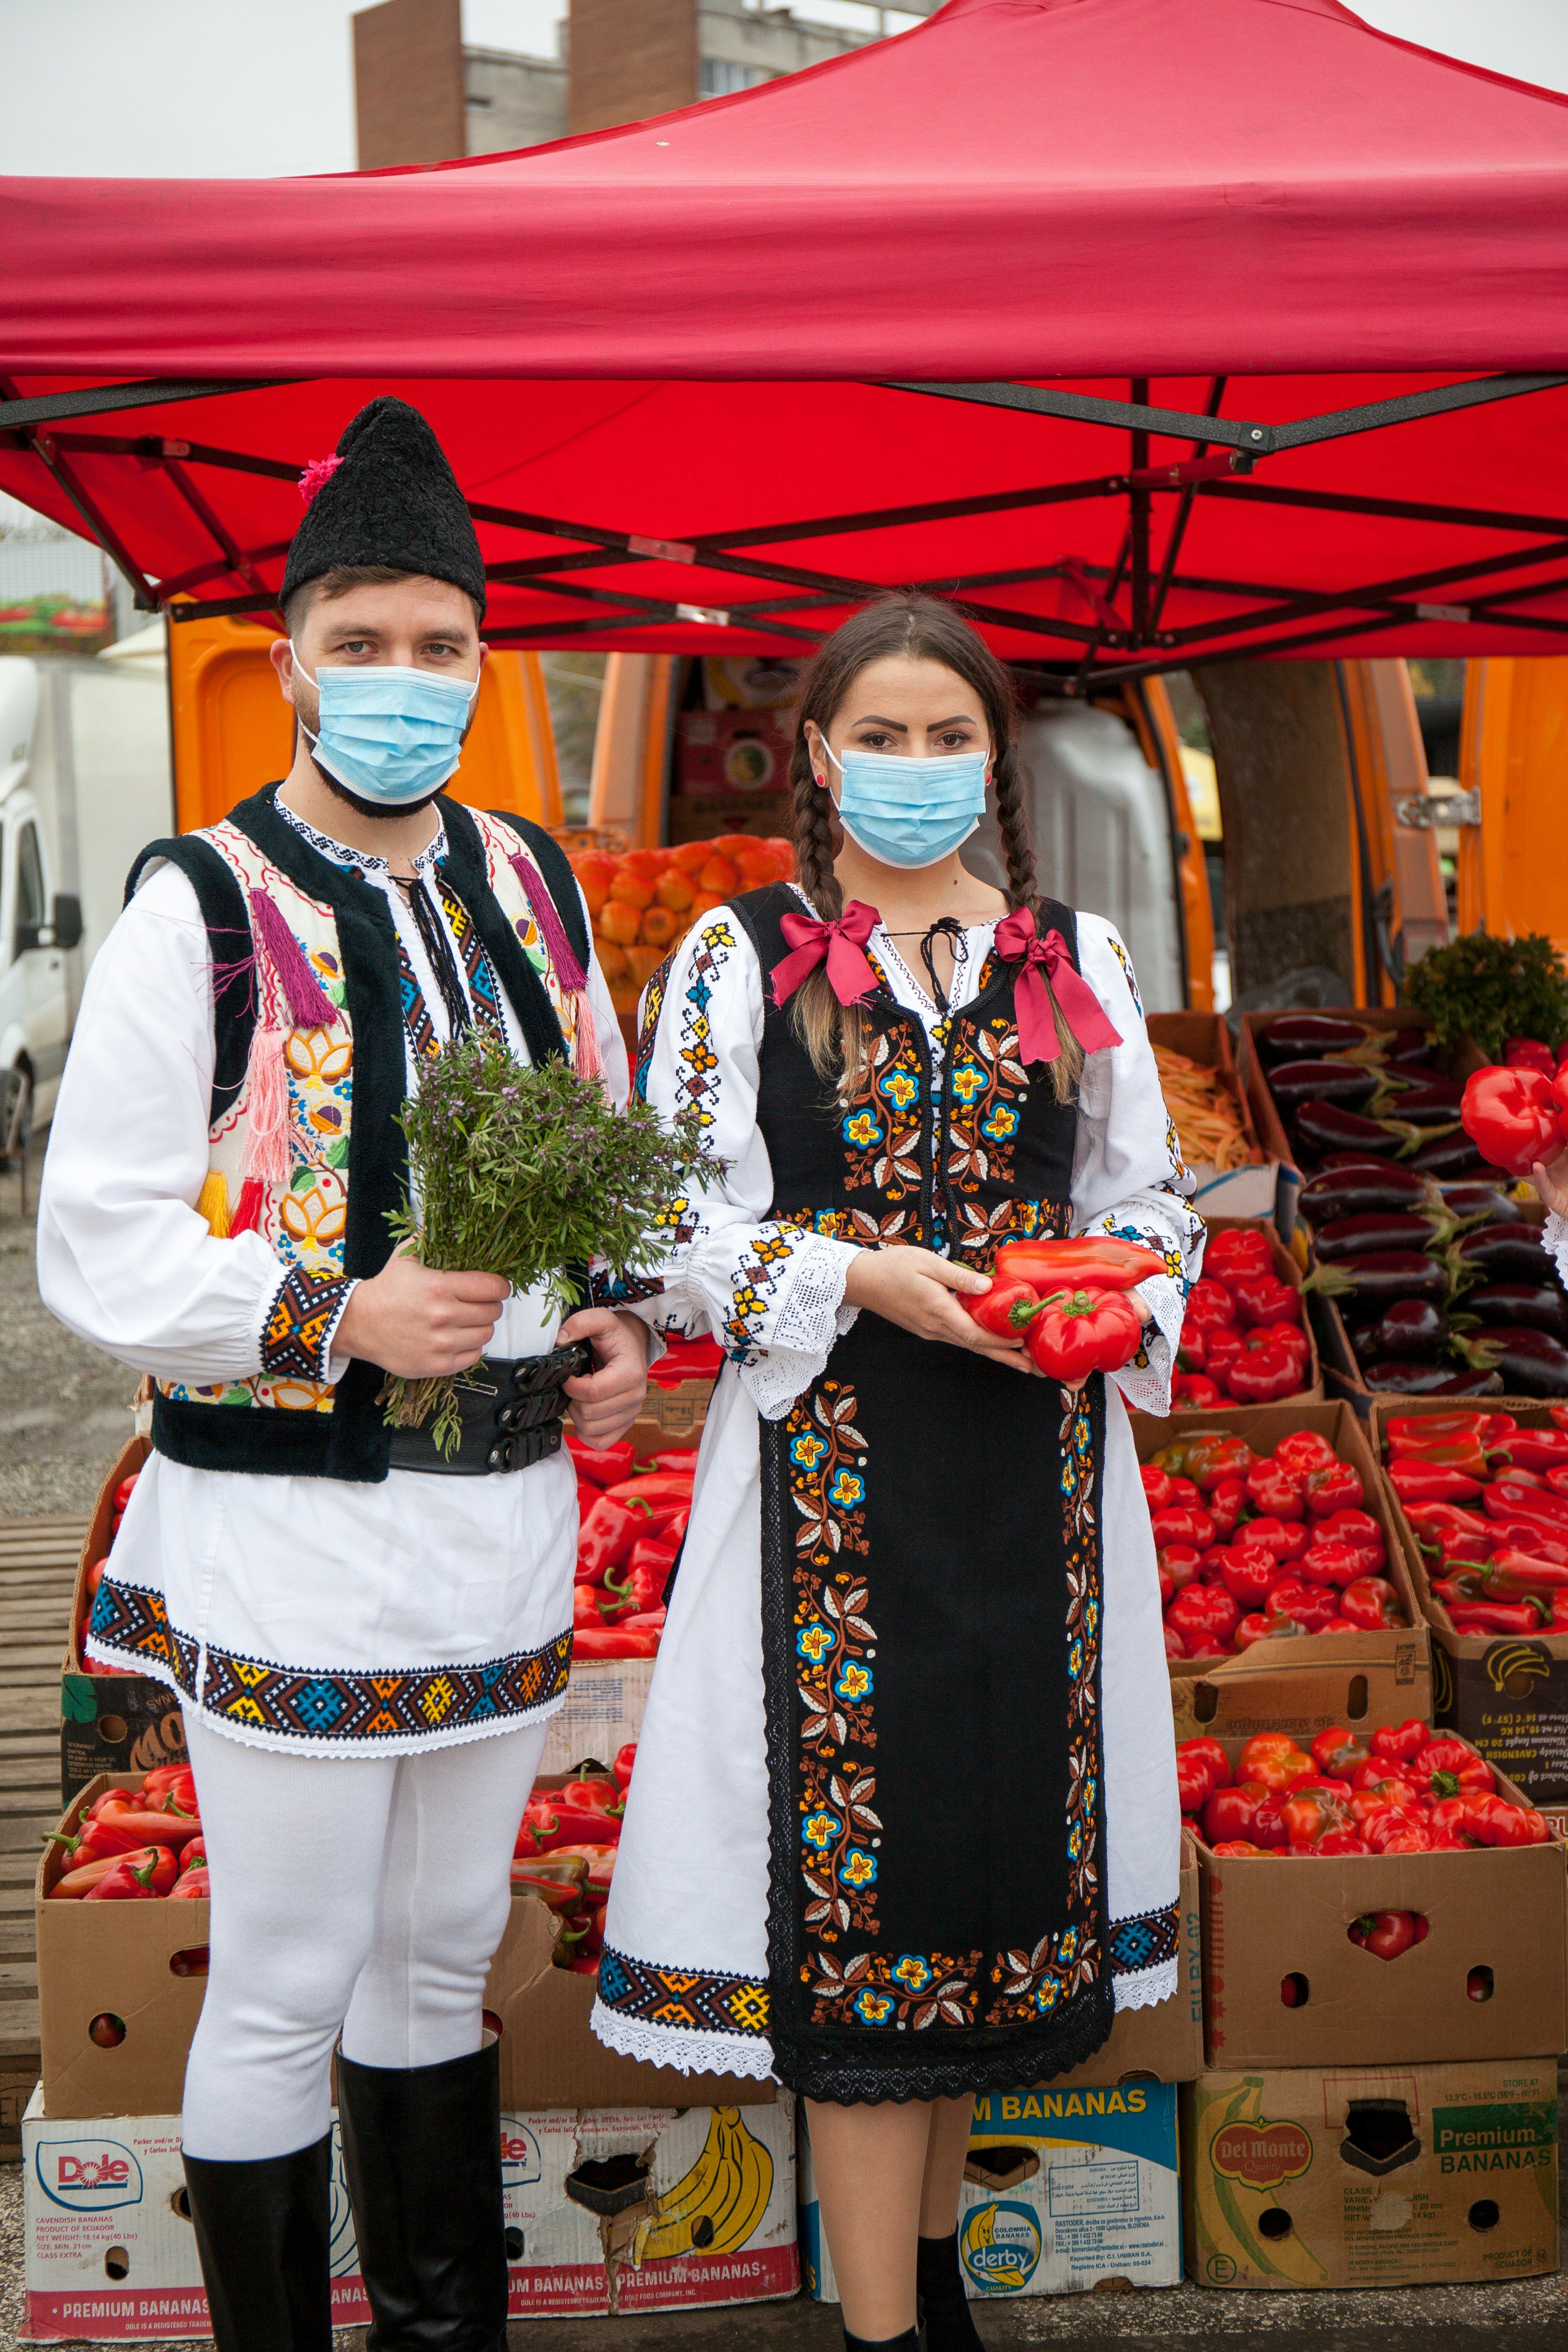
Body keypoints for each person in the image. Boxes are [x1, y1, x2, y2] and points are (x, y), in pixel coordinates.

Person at [37, 397, 650, 2352]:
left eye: (443, 644)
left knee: (442, 1952)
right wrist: (332, 1311)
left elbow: (602, 1138)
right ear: (291, 656)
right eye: (364, 641)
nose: (405, 681)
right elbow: (103, 1238)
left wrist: (619, 1312)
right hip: (293, 1529)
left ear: (489, 659)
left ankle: (443, 2330)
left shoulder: (537, 884)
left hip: (500, 1518)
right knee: (289, 1975)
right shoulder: (196, 910)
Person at [590, 597, 1198, 2351]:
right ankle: (884, 2336)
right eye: (885, 735)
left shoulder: (1070, 956)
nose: (916, 769)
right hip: (827, 1498)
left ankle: (930, 2295)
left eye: (949, 739)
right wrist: (851, 1276)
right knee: (860, 1913)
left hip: (1040, 1492)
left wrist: (1109, 1288)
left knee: (995, 1901)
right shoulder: (732, 955)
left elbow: (1141, 1197)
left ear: (992, 759)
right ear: (816, 752)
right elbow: (660, 1218)